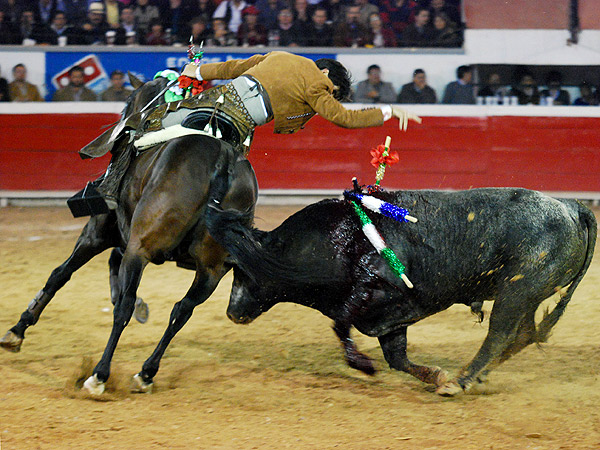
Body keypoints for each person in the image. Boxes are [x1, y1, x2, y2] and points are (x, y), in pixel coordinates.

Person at [81, 52, 421, 206]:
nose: (330, 95)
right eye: (335, 91)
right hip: (238, 127)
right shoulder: (318, 85)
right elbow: (344, 119)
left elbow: (231, 66)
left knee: (147, 124)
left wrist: (196, 73)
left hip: (211, 103)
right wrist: (388, 111)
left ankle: (109, 186)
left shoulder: (276, 55)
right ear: (329, 76)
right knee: (236, 171)